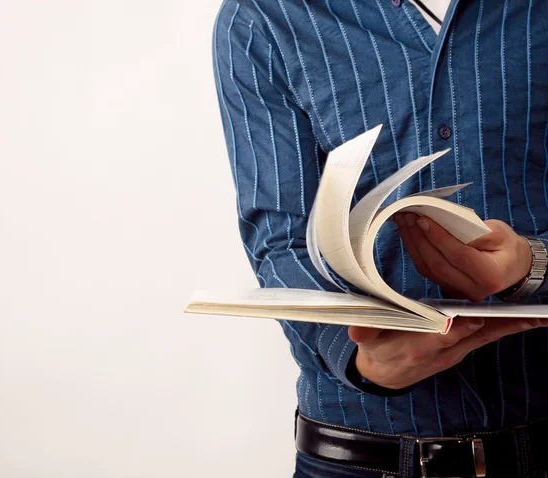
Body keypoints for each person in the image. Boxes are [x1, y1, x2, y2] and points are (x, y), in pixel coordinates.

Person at [212, 0, 548, 476]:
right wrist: (360, 359)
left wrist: (532, 266)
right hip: (356, 455)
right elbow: (280, 237)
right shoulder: (265, 15)